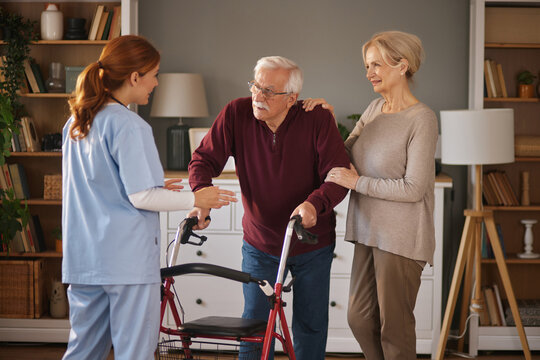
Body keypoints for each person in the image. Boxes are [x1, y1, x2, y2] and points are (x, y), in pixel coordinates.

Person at [61, 35, 236, 360]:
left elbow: (96, 186)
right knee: (134, 353)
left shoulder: (76, 123)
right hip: (124, 263)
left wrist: (156, 186)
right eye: (154, 74)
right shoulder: (129, 125)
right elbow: (141, 197)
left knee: (82, 352)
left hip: (83, 260)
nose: (156, 82)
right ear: (134, 77)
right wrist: (198, 198)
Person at [187, 56, 350, 360]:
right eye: (255, 87)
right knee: (254, 327)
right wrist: (201, 196)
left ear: (292, 98)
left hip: (310, 243)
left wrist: (315, 204)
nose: (258, 97)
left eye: (268, 91)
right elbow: (203, 160)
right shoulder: (236, 113)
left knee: (310, 326)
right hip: (260, 244)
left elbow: (338, 174)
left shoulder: (317, 119)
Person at [325, 30, 438, 360]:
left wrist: (357, 183)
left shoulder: (422, 119)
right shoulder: (374, 108)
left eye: (376, 64)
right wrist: (326, 122)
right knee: (359, 318)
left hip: (401, 238)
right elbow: (342, 155)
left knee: (395, 329)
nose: (369, 72)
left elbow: (414, 188)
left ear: (402, 65)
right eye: (366, 65)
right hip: (368, 231)